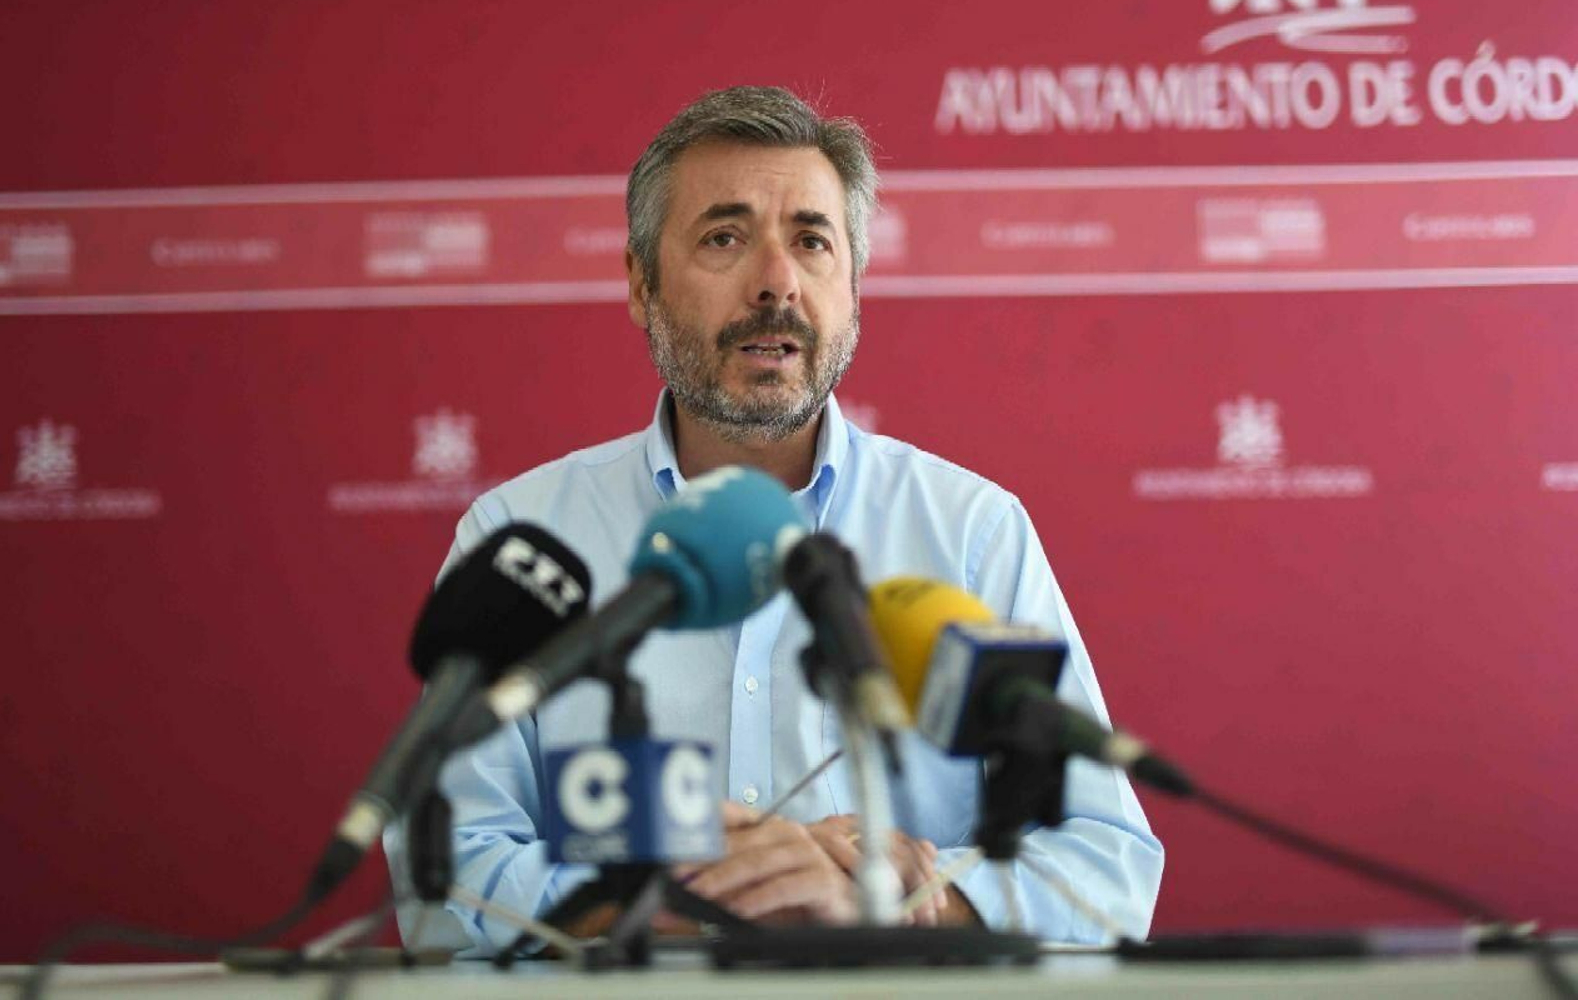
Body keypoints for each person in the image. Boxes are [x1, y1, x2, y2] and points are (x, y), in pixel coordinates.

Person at [386, 85, 1162, 952]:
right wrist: (710, 899)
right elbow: (439, 881)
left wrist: (885, 900)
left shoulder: (971, 531)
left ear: (853, 284)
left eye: (812, 241)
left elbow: (1107, 864)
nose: (776, 283)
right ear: (641, 286)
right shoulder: (524, 539)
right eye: (725, 237)